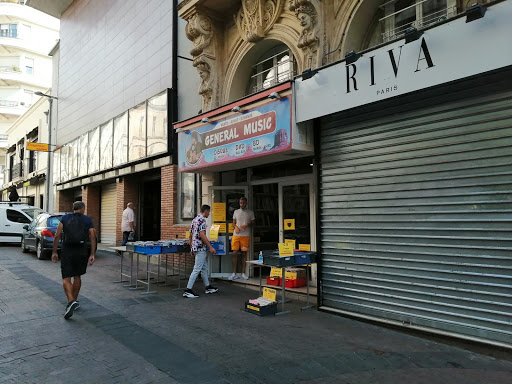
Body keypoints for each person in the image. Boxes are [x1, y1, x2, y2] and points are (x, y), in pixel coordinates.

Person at [51, 201, 96, 319]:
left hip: (67, 250)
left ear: (73, 208)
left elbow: (57, 235)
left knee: (66, 277)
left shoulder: (64, 218)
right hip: (81, 250)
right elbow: (92, 237)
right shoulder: (87, 219)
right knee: (77, 276)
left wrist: (54, 252)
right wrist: (92, 253)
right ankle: (74, 301)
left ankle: (71, 302)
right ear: (83, 209)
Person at [183, 204, 218, 298]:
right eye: (209, 212)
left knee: (203, 268)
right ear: (206, 211)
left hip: (195, 247)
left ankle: (208, 287)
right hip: (200, 248)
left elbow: (190, 234)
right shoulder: (202, 220)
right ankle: (188, 290)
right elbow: (202, 235)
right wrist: (210, 247)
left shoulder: (194, 219)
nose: (209, 213)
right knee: (197, 269)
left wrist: (191, 246)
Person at [229, 197, 255, 280]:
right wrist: (235, 227)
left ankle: (243, 273)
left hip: (245, 235)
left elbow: (253, 222)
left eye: (243, 203)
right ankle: (234, 273)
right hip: (236, 234)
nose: (242, 204)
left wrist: (247, 224)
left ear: (246, 203)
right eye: (240, 203)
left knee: (244, 253)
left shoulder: (250, 212)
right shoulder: (236, 212)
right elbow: (233, 223)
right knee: (234, 252)